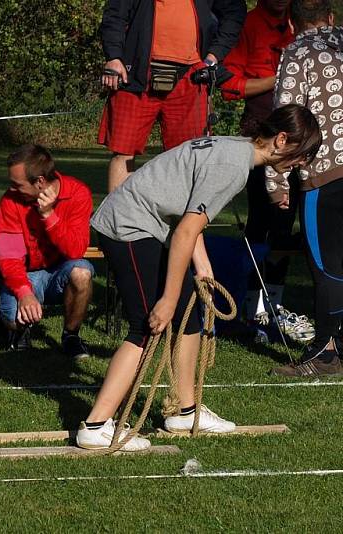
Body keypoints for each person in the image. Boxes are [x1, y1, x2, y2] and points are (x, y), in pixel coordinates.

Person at [78, 104, 321, 451]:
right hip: (127, 226)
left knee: (188, 319)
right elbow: (184, 232)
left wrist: (202, 266)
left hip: (147, 225)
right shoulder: (234, 166)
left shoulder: (235, 149)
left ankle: (184, 410)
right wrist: (167, 298)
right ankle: (95, 425)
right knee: (148, 325)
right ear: (282, 140)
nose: (303, 163)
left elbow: (189, 214)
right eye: (303, 154)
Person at [220, 0, 304, 341]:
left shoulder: (302, 25)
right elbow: (231, 86)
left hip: (301, 137)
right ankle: (250, 304)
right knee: (261, 220)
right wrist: (278, 78)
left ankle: (275, 306)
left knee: (288, 221)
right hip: (262, 135)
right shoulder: (249, 24)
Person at [98, 0, 246, 192]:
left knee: (188, 156)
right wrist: (114, 57)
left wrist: (214, 56)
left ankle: (182, 222)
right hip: (135, 74)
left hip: (191, 77)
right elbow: (115, 15)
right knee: (123, 153)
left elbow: (234, 11)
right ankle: (117, 220)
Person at [270, 0, 343, 376]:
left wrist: (275, 180)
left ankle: (324, 352)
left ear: (293, 24)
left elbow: (286, 118)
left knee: (326, 266)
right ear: (330, 18)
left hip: (325, 171)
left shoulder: (297, 52)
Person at [0, 144, 94, 358]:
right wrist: (24, 293)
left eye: (17, 184)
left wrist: (49, 216)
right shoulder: (9, 201)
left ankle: (71, 336)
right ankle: (19, 330)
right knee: (12, 317)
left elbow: (76, 250)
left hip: (61, 270)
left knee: (82, 272)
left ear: (40, 181)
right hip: (26, 273)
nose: (11, 188)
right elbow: (9, 256)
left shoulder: (78, 194)